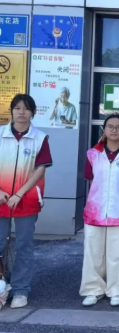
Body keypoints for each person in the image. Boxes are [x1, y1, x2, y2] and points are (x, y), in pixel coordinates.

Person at [0, 94, 52, 309]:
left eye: (26, 108)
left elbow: (40, 169)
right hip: (1, 199)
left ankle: (21, 290)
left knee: (24, 245)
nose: (22, 112)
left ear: (33, 113)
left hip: (27, 198)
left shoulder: (40, 138)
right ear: (11, 111)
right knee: (0, 243)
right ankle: (2, 286)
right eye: (17, 108)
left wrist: (19, 194)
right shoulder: (0, 134)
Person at [80, 115, 119, 307]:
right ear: (104, 130)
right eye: (110, 126)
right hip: (95, 212)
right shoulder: (93, 154)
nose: (114, 130)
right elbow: (91, 182)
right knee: (93, 253)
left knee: (118, 253)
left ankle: (116, 289)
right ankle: (93, 289)